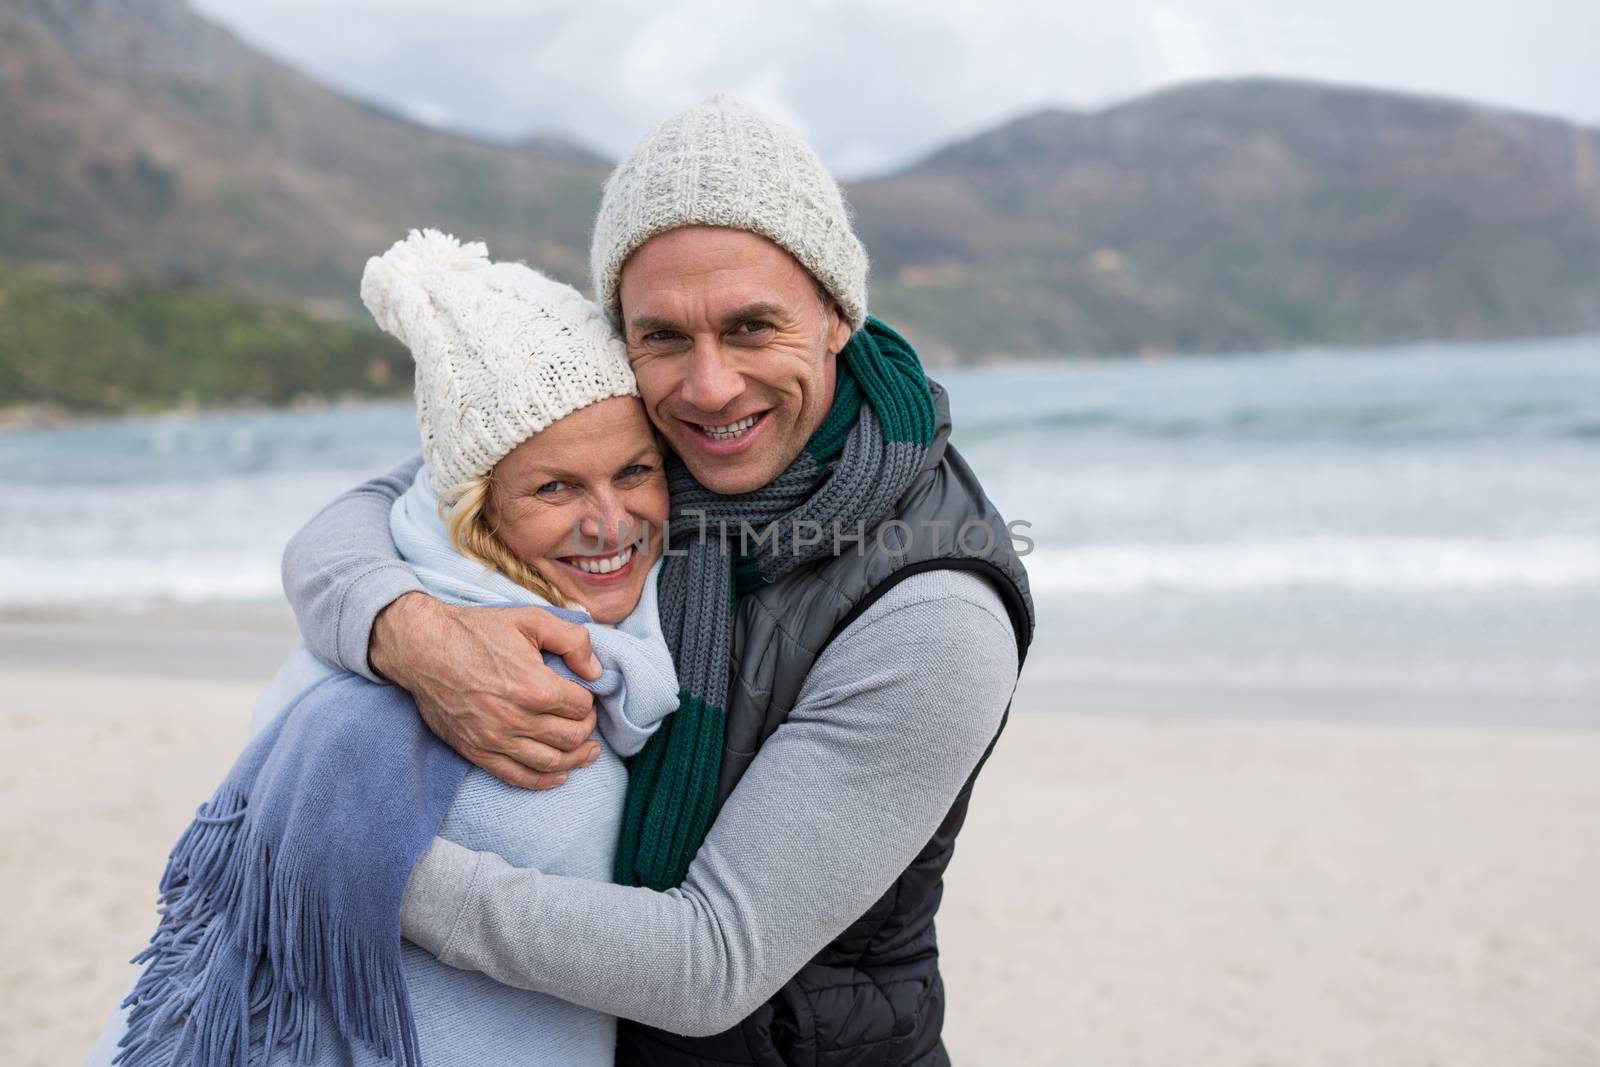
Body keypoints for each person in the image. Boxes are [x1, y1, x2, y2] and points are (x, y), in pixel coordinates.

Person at [283, 95, 1035, 1065]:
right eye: (664, 337)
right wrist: (410, 631)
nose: (709, 386)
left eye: (752, 326)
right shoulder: (632, 435)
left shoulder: (933, 612)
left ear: (837, 316)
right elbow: (364, 516)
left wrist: (366, 862)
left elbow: (709, 961)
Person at [86, 231, 682, 1067]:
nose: (611, 522)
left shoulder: (440, 586)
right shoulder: (483, 693)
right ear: (476, 510)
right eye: (555, 487)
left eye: (635, 471)